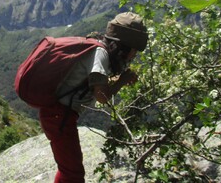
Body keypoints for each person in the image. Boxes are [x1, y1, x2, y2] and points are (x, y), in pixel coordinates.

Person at [39, 12, 148, 183]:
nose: (134, 55)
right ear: (123, 47)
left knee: (70, 169)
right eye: (133, 50)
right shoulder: (100, 54)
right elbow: (102, 97)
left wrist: (118, 79)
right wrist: (122, 81)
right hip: (59, 115)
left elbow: (93, 82)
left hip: (58, 114)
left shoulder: (98, 46)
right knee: (72, 173)